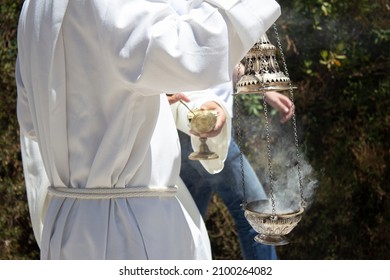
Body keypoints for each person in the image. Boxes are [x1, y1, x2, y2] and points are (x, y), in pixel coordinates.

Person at [15, 0, 281, 259]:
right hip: (129, 232)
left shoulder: (34, 9)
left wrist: (139, 105)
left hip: (66, 228)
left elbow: (31, 123)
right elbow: (192, 51)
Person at [175, 63, 294, 259]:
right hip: (206, 125)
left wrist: (263, 87)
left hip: (191, 124)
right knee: (256, 214)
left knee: (189, 223)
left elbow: (228, 61)